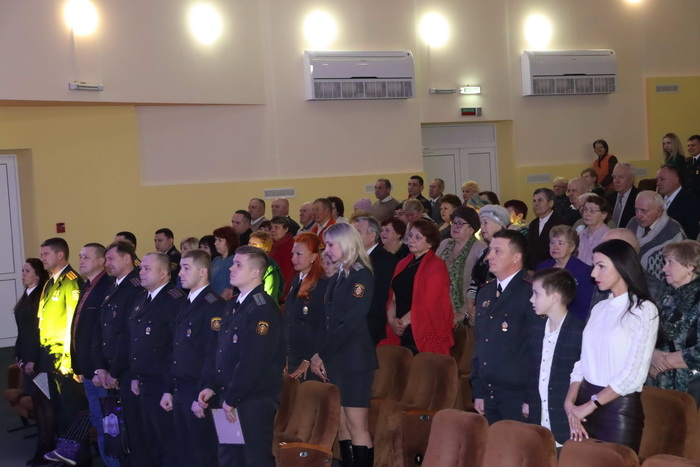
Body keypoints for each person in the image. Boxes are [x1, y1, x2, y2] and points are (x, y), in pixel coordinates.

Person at [566, 239, 659, 453]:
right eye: (594, 266)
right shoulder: (599, 308)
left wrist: (591, 405)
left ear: (621, 266)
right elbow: (582, 362)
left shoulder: (644, 310)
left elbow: (634, 374)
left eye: (601, 266)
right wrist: (570, 402)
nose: (593, 273)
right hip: (583, 405)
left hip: (617, 409)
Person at [199, 246, 284, 467]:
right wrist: (212, 386)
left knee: (253, 459)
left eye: (238, 265)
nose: (231, 268)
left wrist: (232, 398)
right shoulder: (233, 305)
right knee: (229, 458)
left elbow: (253, 360)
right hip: (229, 395)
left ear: (255, 272)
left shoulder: (263, 309)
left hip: (252, 400)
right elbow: (222, 351)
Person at [310, 223, 376, 467]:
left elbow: (350, 322)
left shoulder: (361, 275)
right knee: (343, 424)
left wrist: (322, 354)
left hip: (355, 361)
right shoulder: (341, 274)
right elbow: (328, 321)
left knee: (357, 425)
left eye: (330, 244)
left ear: (346, 243)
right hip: (338, 358)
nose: (326, 250)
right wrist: (320, 354)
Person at [165, 250, 223, 467]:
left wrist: (206, 390)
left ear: (203, 271)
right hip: (181, 386)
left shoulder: (213, 305)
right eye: (181, 268)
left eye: (186, 268)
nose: (180, 273)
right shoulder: (186, 302)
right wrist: (169, 388)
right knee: (183, 449)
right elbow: (176, 347)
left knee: (202, 453)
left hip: (199, 389)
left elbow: (213, 351)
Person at [93, 240, 147, 465]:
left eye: (111, 258)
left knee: (133, 431)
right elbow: (100, 328)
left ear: (127, 258)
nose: (107, 263)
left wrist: (114, 371)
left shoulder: (136, 287)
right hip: (110, 370)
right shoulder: (113, 287)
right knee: (117, 430)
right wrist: (100, 367)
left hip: (126, 371)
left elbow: (128, 334)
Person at [471, 230, 533, 424]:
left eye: (497, 251)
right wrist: (478, 389)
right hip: (488, 392)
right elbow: (480, 344)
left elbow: (538, 349)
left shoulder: (532, 292)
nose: (489, 256)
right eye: (490, 250)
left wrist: (531, 396)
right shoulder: (485, 291)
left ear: (516, 257)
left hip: (517, 394)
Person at [129, 252, 185, 467]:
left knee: (168, 443)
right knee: (151, 441)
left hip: (162, 382)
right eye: (141, 268)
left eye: (147, 269)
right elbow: (136, 340)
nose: (141, 272)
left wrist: (169, 387)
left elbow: (174, 347)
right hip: (145, 380)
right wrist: (135, 375)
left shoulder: (174, 300)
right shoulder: (143, 298)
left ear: (163, 274)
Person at [69, 243, 116, 467]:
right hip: (87, 368)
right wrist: (78, 365)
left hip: (100, 371)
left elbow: (104, 332)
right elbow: (78, 329)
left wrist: (100, 367)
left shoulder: (106, 287)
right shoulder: (87, 286)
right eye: (80, 256)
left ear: (101, 261)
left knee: (109, 426)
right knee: (98, 422)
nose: (81, 260)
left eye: (86, 257)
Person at [527, 268, 585, 447]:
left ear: (555, 297)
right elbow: (531, 371)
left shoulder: (580, 332)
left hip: (565, 423)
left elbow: (581, 376)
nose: (531, 299)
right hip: (537, 421)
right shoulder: (536, 328)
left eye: (536, 294)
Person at [380, 218, 454, 354]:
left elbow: (430, 303)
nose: (411, 240)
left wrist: (402, 323)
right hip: (400, 328)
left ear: (430, 243)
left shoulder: (437, 265)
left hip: (421, 329)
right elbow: (393, 296)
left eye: (418, 237)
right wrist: (391, 319)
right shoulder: (403, 263)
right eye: (410, 236)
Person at [38, 238, 85, 433]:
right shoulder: (50, 282)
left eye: (46, 254)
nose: (42, 258)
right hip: (51, 358)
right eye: (41, 254)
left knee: (72, 408)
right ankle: (63, 448)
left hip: (65, 360)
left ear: (60, 255)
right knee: (58, 408)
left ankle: (76, 451)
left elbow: (74, 324)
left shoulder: (71, 281)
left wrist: (70, 359)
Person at [648, 241, 700, 398]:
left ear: (690, 266)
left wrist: (668, 360)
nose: (664, 269)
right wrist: (652, 355)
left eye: (670, 262)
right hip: (658, 383)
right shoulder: (667, 296)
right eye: (665, 262)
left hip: (690, 388)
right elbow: (647, 332)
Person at [13, 258, 49, 465]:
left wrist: (32, 359)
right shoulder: (26, 295)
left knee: (44, 403)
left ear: (38, 274)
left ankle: (46, 446)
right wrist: (18, 354)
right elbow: (22, 331)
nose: (23, 274)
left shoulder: (41, 296)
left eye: (27, 271)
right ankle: (42, 445)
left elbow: (38, 332)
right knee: (36, 401)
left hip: (39, 359)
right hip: (26, 355)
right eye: (22, 270)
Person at [285, 233, 328, 381]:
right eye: (293, 254)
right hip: (293, 352)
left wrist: (308, 358)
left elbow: (322, 325)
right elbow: (289, 319)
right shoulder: (296, 280)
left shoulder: (321, 284)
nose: (293, 259)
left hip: (310, 357)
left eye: (299, 254)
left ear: (313, 257)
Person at [436, 207, 487, 326]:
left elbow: (481, 287)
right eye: (453, 223)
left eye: (460, 223)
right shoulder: (445, 244)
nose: (455, 227)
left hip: (463, 314)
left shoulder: (480, 250)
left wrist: (463, 313)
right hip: (438, 307)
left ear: (472, 229)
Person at [353, 217, 398, 345]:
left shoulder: (385, 260)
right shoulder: (355, 257)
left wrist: (371, 329)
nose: (353, 236)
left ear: (372, 235)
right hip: (356, 322)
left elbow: (380, 298)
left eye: (358, 232)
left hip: (370, 327)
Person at [536, 225, 594, 322]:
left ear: (572, 247)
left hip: (569, 321)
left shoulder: (584, 271)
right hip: (541, 319)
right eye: (552, 242)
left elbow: (584, 307)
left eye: (560, 243)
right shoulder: (542, 267)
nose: (555, 247)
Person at [626, 190, 686, 280]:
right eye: (636, 210)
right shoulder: (633, 223)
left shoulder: (674, 232)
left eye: (644, 211)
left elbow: (681, 269)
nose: (639, 215)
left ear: (659, 211)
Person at [468, 205, 511, 299]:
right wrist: (470, 301)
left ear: (499, 225)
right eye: (481, 224)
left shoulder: (508, 253)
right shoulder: (482, 252)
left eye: (485, 223)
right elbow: (474, 281)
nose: (482, 227)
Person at [656, 164, 700, 240]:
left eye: (662, 179)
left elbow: (691, 234)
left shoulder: (691, 202)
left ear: (675, 180)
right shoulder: (657, 199)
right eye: (657, 180)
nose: (658, 183)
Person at [526, 188, 566, 270]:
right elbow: (529, 249)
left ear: (551, 203)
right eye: (534, 201)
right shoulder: (533, 224)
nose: (536, 204)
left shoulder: (560, 223)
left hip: (553, 269)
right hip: (534, 270)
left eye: (540, 200)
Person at [248, 230, 285, 302]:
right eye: (249, 243)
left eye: (254, 245)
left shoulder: (270, 269)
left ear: (265, 248)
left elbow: (269, 296)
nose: (249, 246)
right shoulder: (248, 263)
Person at [577, 195, 612, 266]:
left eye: (592, 211)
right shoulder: (579, 235)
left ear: (604, 214)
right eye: (585, 209)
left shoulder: (608, 238)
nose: (587, 214)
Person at [607, 162, 639, 228]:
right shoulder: (608, 199)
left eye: (621, 177)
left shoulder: (639, 199)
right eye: (614, 177)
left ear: (631, 179)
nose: (616, 181)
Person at [211, 226, 239, 300]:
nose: (215, 243)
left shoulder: (234, 260)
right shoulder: (216, 260)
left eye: (220, 240)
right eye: (215, 240)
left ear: (229, 242)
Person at [270, 216, 295, 296]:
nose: (272, 230)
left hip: (280, 291)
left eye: (276, 227)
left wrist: (281, 292)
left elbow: (287, 273)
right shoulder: (273, 244)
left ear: (286, 229)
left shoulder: (290, 246)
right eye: (271, 227)